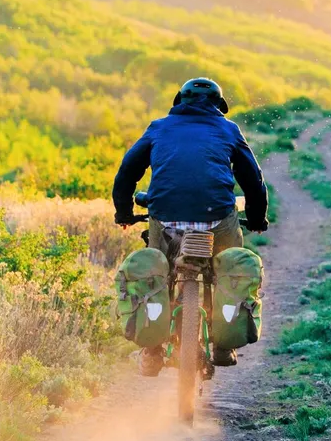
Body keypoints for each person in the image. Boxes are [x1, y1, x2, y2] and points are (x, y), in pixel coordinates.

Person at [112, 77, 268, 375]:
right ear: (217, 106)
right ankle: (224, 344)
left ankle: (153, 348)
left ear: (179, 101)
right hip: (218, 218)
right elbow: (253, 181)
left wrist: (123, 213)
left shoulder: (159, 127)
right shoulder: (228, 129)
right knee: (227, 268)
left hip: (166, 215)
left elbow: (126, 172)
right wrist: (258, 218)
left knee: (160, 270)